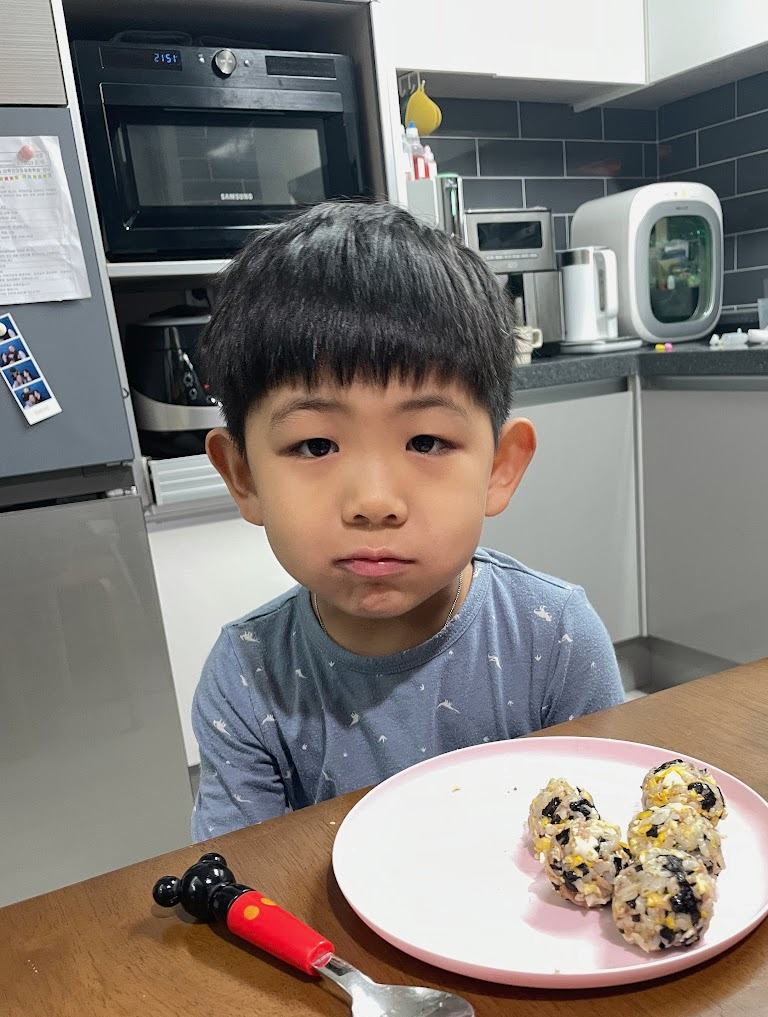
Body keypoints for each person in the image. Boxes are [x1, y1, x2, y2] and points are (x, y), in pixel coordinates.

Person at [191, 200, 624, 842]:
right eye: (316, 445)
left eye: (425, 442)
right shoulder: (247, 676)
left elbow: (607, 839)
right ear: (243, 477)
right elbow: (239, 877)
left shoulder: (554, 639)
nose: (374, 501)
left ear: (500, 468)